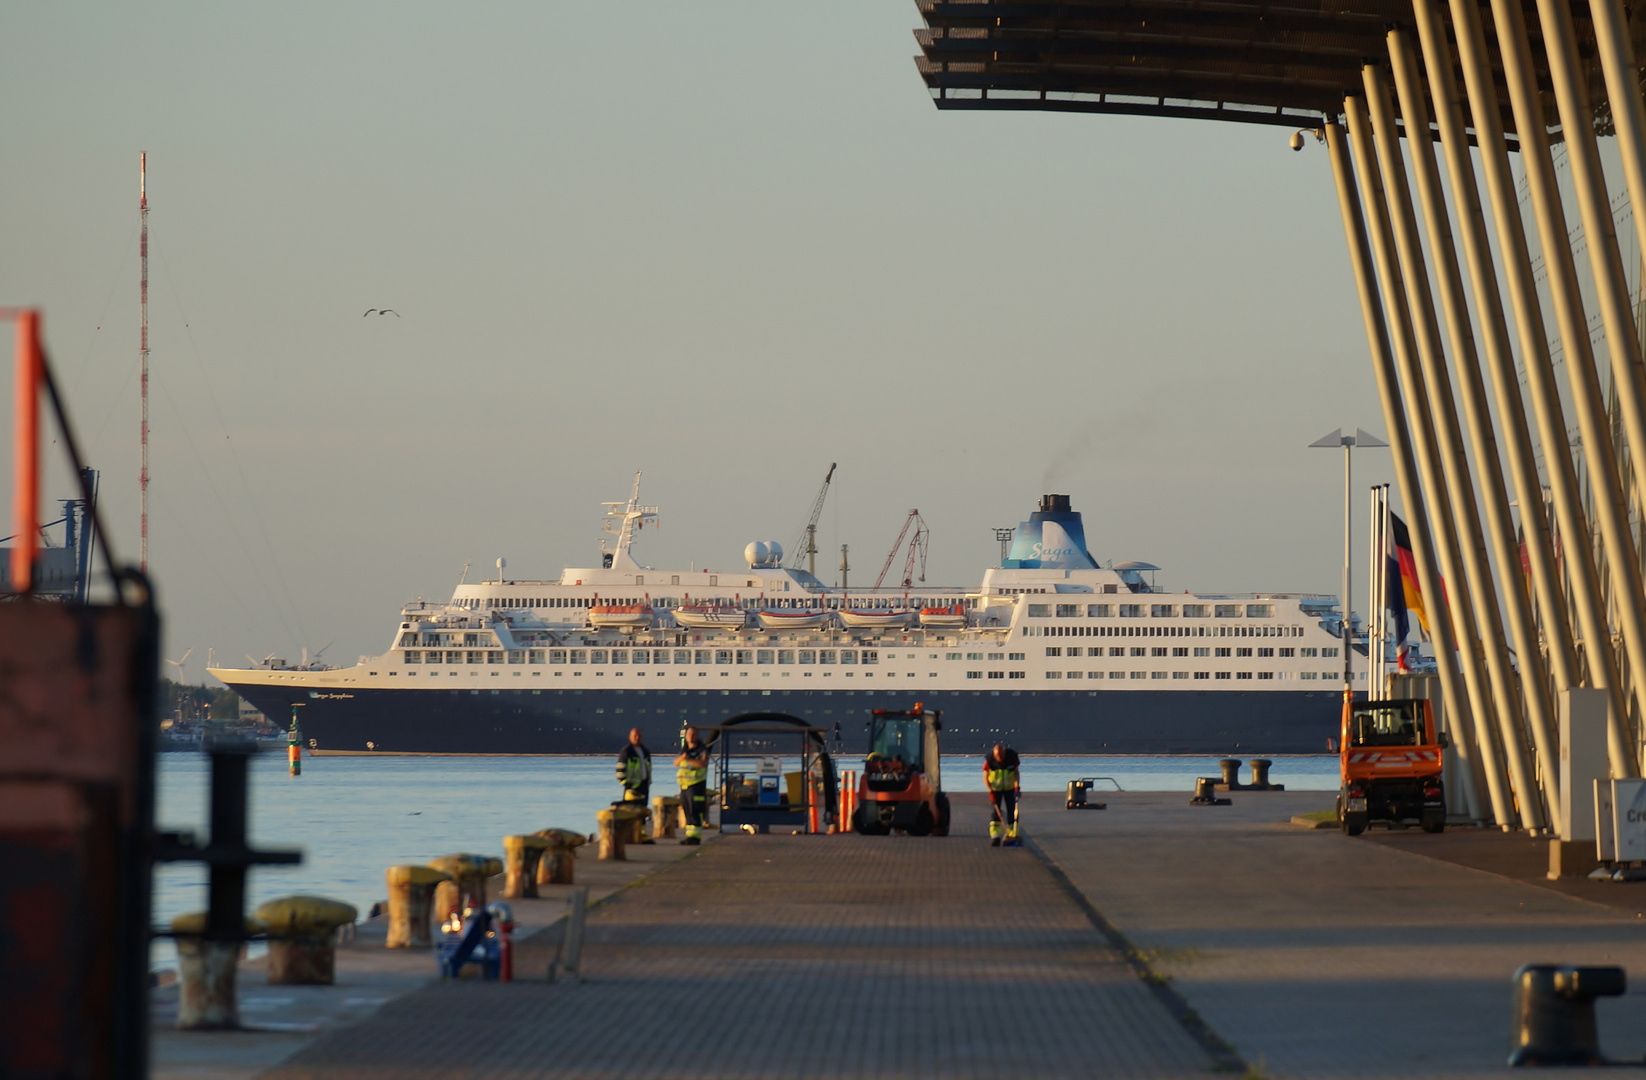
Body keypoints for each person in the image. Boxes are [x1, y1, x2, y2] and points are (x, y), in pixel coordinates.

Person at [675, 726, 710, 845]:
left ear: (697, 735)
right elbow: (676, 763)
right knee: (687, 811)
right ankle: (689, 836)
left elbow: (704, 763)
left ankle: (695, 837)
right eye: (689, 734)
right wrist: (682, 758)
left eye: (693, 734)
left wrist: (688, 759)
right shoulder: (684, 749)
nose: (690, 736)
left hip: (696, 785)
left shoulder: (701, 749)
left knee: (695, 811)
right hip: (684, 786)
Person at [984, 743, 1021, 847]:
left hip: (1009, 789)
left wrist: (1017, 787)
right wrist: (990, 790)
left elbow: (1016, 773)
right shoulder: (990, 760)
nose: (999, 758)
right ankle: (995, 836)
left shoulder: (1012, 758)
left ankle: (1012, 834)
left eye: (1001, 756)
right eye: (997, 756)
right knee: (996, 812)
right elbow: (985, 776)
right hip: (995, 790)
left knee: (1012, 811)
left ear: (1004, 753)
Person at [616, 727, 652, 806]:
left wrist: (648, 782)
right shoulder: (626, 752)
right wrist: (627, 785)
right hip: (632, 788)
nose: (637, 738)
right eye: (635, 736)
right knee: (631, 811)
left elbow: (648, 768)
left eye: (639, 736)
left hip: (644, 786)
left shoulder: (645, 752)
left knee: (642, 811)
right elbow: (619, 771)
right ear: (630, 737)